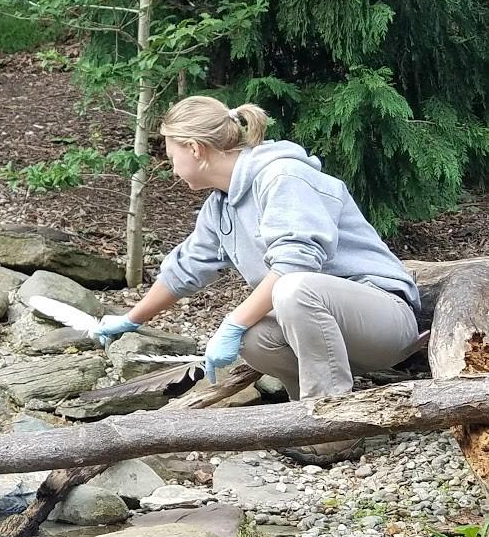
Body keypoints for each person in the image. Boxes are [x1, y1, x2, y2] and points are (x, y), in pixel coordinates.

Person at [95, 95, 421, 465]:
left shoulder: (283, 177)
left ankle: (335, 431)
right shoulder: (221, 205)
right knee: (252, 338)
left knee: (291, 290)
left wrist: (232, 321)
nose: (172, 169)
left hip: (387, 321)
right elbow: (185, 269)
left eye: (172, 158)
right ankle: (306, 418)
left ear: (195, 149)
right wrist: (131, 320)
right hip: (327, 328)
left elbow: (296, 265)